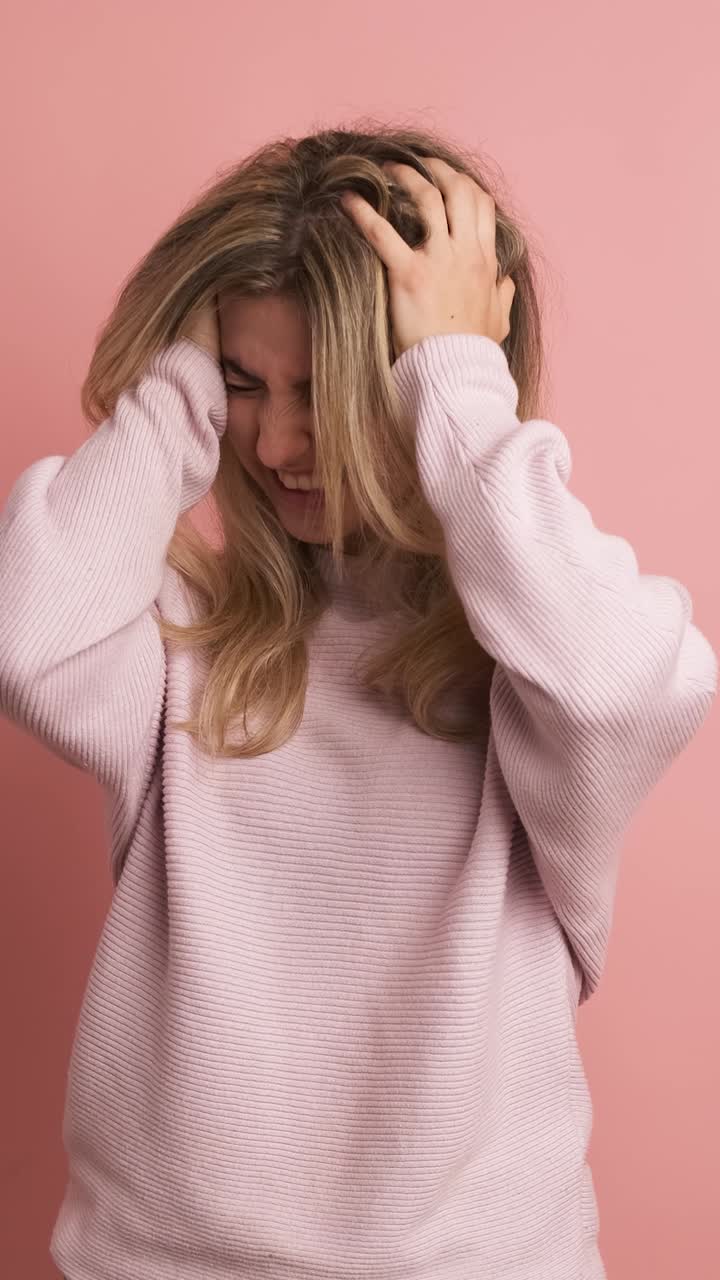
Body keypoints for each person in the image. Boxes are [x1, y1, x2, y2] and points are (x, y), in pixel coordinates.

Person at [1, 124, 716, 1280]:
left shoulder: (525, 655)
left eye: (324, 391)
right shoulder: (180, 629)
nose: (278, 441)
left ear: (432, 371)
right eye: (243, 381)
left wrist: (467, 400)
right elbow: (22, 639)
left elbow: (630, 683)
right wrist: (174, 390)